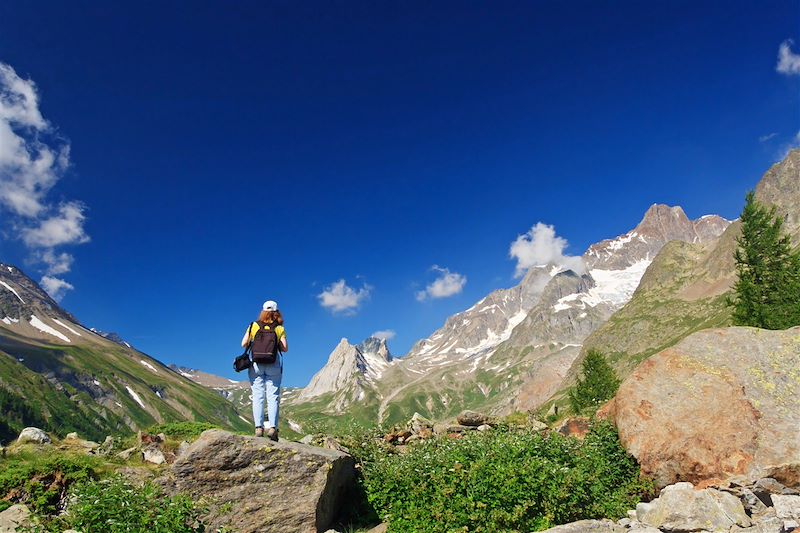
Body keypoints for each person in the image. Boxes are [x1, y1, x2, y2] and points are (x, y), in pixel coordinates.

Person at [241, 300, 288, 441]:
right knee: (273, 396)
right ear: (276, 312)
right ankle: (273, 428)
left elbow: (243, 343)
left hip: (256, 364)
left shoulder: (254, 326)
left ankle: (258, 428)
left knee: (258, 396)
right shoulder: (279, 328)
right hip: (273, 363)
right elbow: (285, 348)